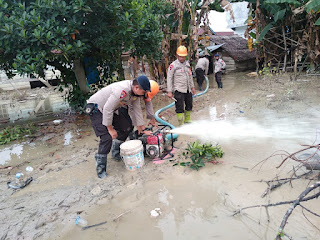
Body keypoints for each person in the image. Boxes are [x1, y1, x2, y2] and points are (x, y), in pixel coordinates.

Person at [86, 75, 157, 178]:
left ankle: (116, 153)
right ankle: (101, 168)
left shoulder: (135, 93)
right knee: (106, 137)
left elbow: (136, 110)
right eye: (143, 92)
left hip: (112, 109)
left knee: (127, 127)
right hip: (97, 108)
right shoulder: (122, 90)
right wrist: (110, 129)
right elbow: (107, 109)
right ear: (137, 88)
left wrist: (142, 128)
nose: (144, 95)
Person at [167, 45, 196, 126]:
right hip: (178, 90)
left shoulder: (187, 64)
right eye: (180, 56)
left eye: (183, 57)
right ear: (177, 55)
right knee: (179, 107)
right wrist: (169, 91)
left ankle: (187, 119)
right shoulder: (173, 65)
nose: (182, 58)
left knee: (189, 104)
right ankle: (181, 123)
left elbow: (190, 76)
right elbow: (169, 78)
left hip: (187, 89)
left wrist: (192, 87)